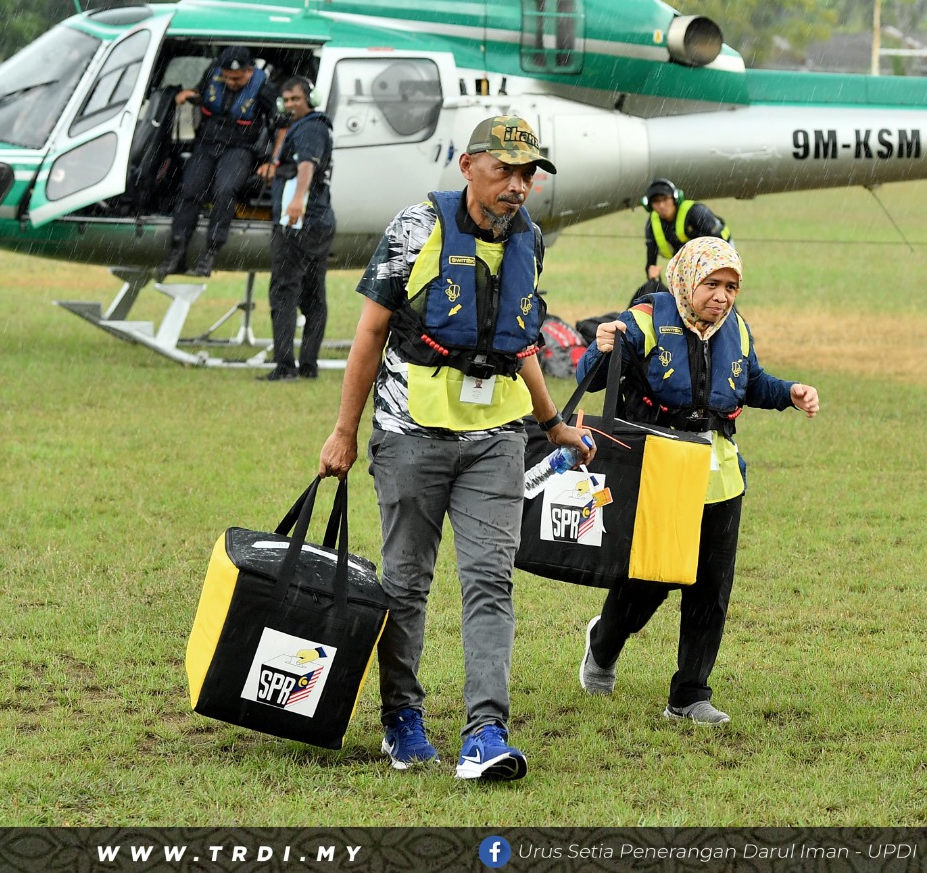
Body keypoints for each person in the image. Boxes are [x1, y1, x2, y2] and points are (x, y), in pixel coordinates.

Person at [317, 114, 595, 781]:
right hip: (410, 434)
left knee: (490, 580)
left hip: (496, 439)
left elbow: (517, 341)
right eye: (504, 171)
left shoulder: (529, 239)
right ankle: (401, 718)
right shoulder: (416, 228)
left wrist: (552, 423)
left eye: (527, 174)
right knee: (406, 583)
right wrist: (345, 431)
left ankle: (485, 733)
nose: (517, 186)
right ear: (468, 166)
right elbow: (369, 334)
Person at [575, 237, 820, 725]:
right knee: (650, 580)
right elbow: (594, 374)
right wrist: (600, 347)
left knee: (711, 587)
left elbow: (751, 382)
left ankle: (689, 695)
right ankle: (603, 644)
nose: (722, 297)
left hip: (721, 478)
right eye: (712, 284)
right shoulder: (647, 317)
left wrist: (789, 392)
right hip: (657, 472)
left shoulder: (737, 328)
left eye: (731, 287)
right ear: (687, 280)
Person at [157, 46, 279, 278]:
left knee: (225, 190)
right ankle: (178, 250)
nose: (231, 83)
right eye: (227, 77)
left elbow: (282, 125)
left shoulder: (264, 88)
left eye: (237, 78)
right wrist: (189, 95)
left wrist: (274, 160)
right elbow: (204, 96)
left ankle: (210, 251)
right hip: (207, 143)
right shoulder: (212, 75)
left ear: (249, 71)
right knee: (190, 190)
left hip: (239, 147)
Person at [261, 76, 336, 382]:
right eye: (287, 100)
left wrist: (296, 202)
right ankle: (308, 365)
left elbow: (307, 166)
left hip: (300, 223)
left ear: (310, 100)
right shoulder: (315, 126)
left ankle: (284, 367)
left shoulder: (309, 128)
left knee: (284, 292)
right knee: (313, 295)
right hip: (319, 222)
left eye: (296, 99)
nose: (291, 104)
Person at [642, 178, 731, 282]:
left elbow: (718, 242)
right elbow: (651, 260)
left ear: (675, 198)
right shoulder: (653, 223)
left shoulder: (696, 212)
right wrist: (653, 278)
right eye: (656, 201)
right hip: (686, 261)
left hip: (719, 250)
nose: (661, 205)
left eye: (665, 199)